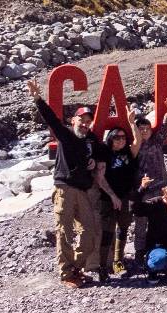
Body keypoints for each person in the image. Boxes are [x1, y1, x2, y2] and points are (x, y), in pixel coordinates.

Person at [28, 79, 112, 288]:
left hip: (83, 190)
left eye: (87, 122)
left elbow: (109, 153)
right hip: (64, 188)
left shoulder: (91, 140)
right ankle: (67, 273)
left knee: (89, 233)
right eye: (81, 120)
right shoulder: (66, 135)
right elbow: (51, 119)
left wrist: (96, 162)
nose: (84, 124)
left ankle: (75, 267)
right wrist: (38, 98)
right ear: (73, 120)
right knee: (65, 232)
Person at [130, 99, 167, 266]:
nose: (145, 131)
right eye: (141, 129)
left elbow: (165, 129)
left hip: (160, 188)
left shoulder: (157, 142)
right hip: (143, 190)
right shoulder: (133, 147)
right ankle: (139, 253)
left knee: (161, 220)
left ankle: (158, 249)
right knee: (141, 223)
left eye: (147, 128)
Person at [97, 122, 141, 281]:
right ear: (110, 139)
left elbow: (138, 140)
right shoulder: (105, 153)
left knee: (123, 228)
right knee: (107, 231)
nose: (120, 140)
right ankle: (102, 266)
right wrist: (113, 197)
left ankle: (118, 261)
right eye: (116, 137)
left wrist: (131, 122)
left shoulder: (129, 152)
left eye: (123, 137)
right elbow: (100, 178)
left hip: (126, 197)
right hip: (108, 199)